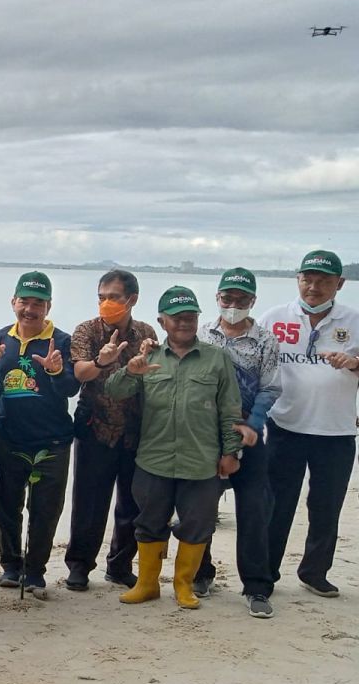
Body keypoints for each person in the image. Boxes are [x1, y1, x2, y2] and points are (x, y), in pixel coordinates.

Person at [106, 286, 243, 610]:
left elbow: (230, 411)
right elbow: (114, 391)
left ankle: (184, 586)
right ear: (161, 321)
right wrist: (129, 369)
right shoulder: (147, 356)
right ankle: (148, 584)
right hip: (154, 460)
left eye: (190, 317)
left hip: (201, 462)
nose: (184, 323)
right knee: (149, 524)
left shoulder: (216, 359)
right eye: (177, 317)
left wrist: (230, 453)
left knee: (197, 526)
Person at [258, 249, 359, 598]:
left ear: (340, 284)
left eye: (324, 281)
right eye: (308, 279)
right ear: (298, 279)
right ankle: (265, 573)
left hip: (336, 431)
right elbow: (254, 367)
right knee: (276, 504)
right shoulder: (273, 317)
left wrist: (353, 362)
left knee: (326, 507)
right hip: (285, 427)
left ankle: (315, 572)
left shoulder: (354, 320)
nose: (314, 287)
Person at [0, 271, 80, 598]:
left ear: (49, 306)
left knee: (45, 509)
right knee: (5, 505)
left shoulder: (63, 341)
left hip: (51, 441)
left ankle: (36, 572)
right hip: (7, 438)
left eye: (38, 303)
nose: (30, 309)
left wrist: (55, 370)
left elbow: (71, 387)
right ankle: (11, 566)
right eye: (24, 301)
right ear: (13, 302)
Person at [194, 269, 281, 617]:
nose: (233, 305)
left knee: (254, 511)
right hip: (206, 436)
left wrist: (253, 425)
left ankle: (257, 587)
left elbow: (270, 387)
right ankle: (201, 574)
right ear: (217, 298)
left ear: (252, 302)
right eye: (227, 298)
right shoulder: (202, 334)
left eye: (241, 299)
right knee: (200, 509)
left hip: (251, 435)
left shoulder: (265, 340)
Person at [64, 269, 156, 591]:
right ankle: (79, 565)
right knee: (88, 502)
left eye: (114, 297)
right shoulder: (86, 331)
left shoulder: (145, 332)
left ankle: (119, 566)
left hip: (134, 430)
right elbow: (80, 374)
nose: (106, 303)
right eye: (102, 297)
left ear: (132, 300)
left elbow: (155, 377)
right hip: (95, 428)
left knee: (131, 504)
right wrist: (102, 362)